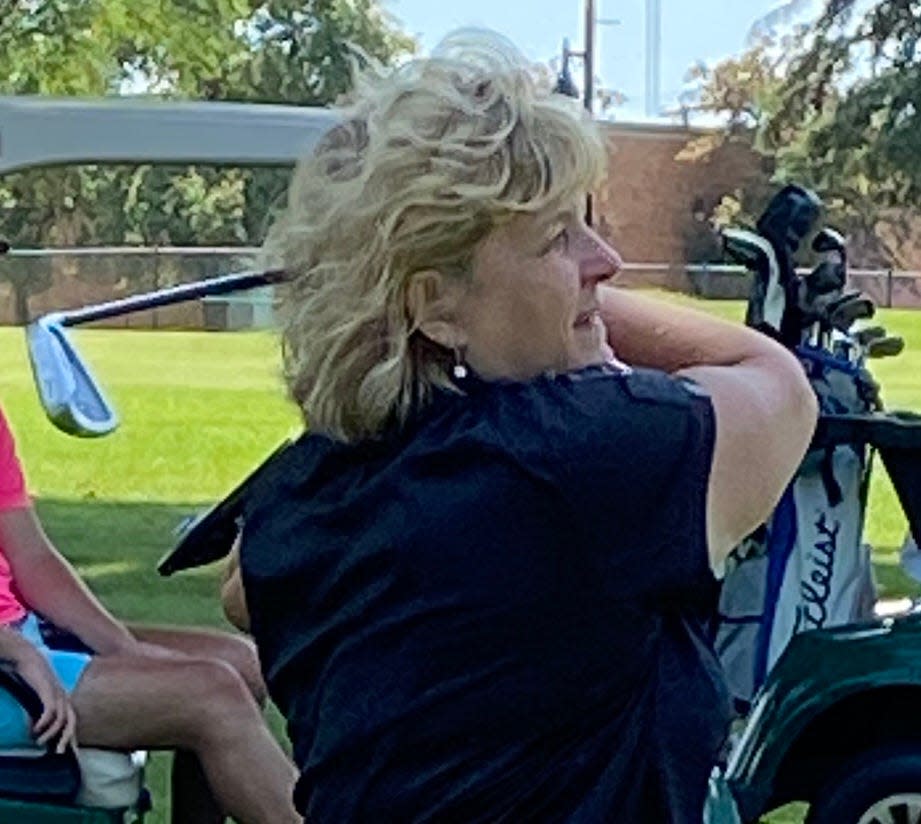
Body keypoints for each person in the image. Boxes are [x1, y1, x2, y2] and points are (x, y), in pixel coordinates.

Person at [235, 29, 818, 823]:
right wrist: (585, 315)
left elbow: (242, 589)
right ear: (435, 304)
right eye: (556, 237)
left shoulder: (297, 501)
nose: (604, 258)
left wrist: (402, 299)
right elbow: (778, 388)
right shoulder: (582, 456)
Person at [0, 406, 299, 824]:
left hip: (20, 638)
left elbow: (32, 558)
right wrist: (18, 651)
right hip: (10, 657)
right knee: (210, 696)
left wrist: (123, 647)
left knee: (241, 663)